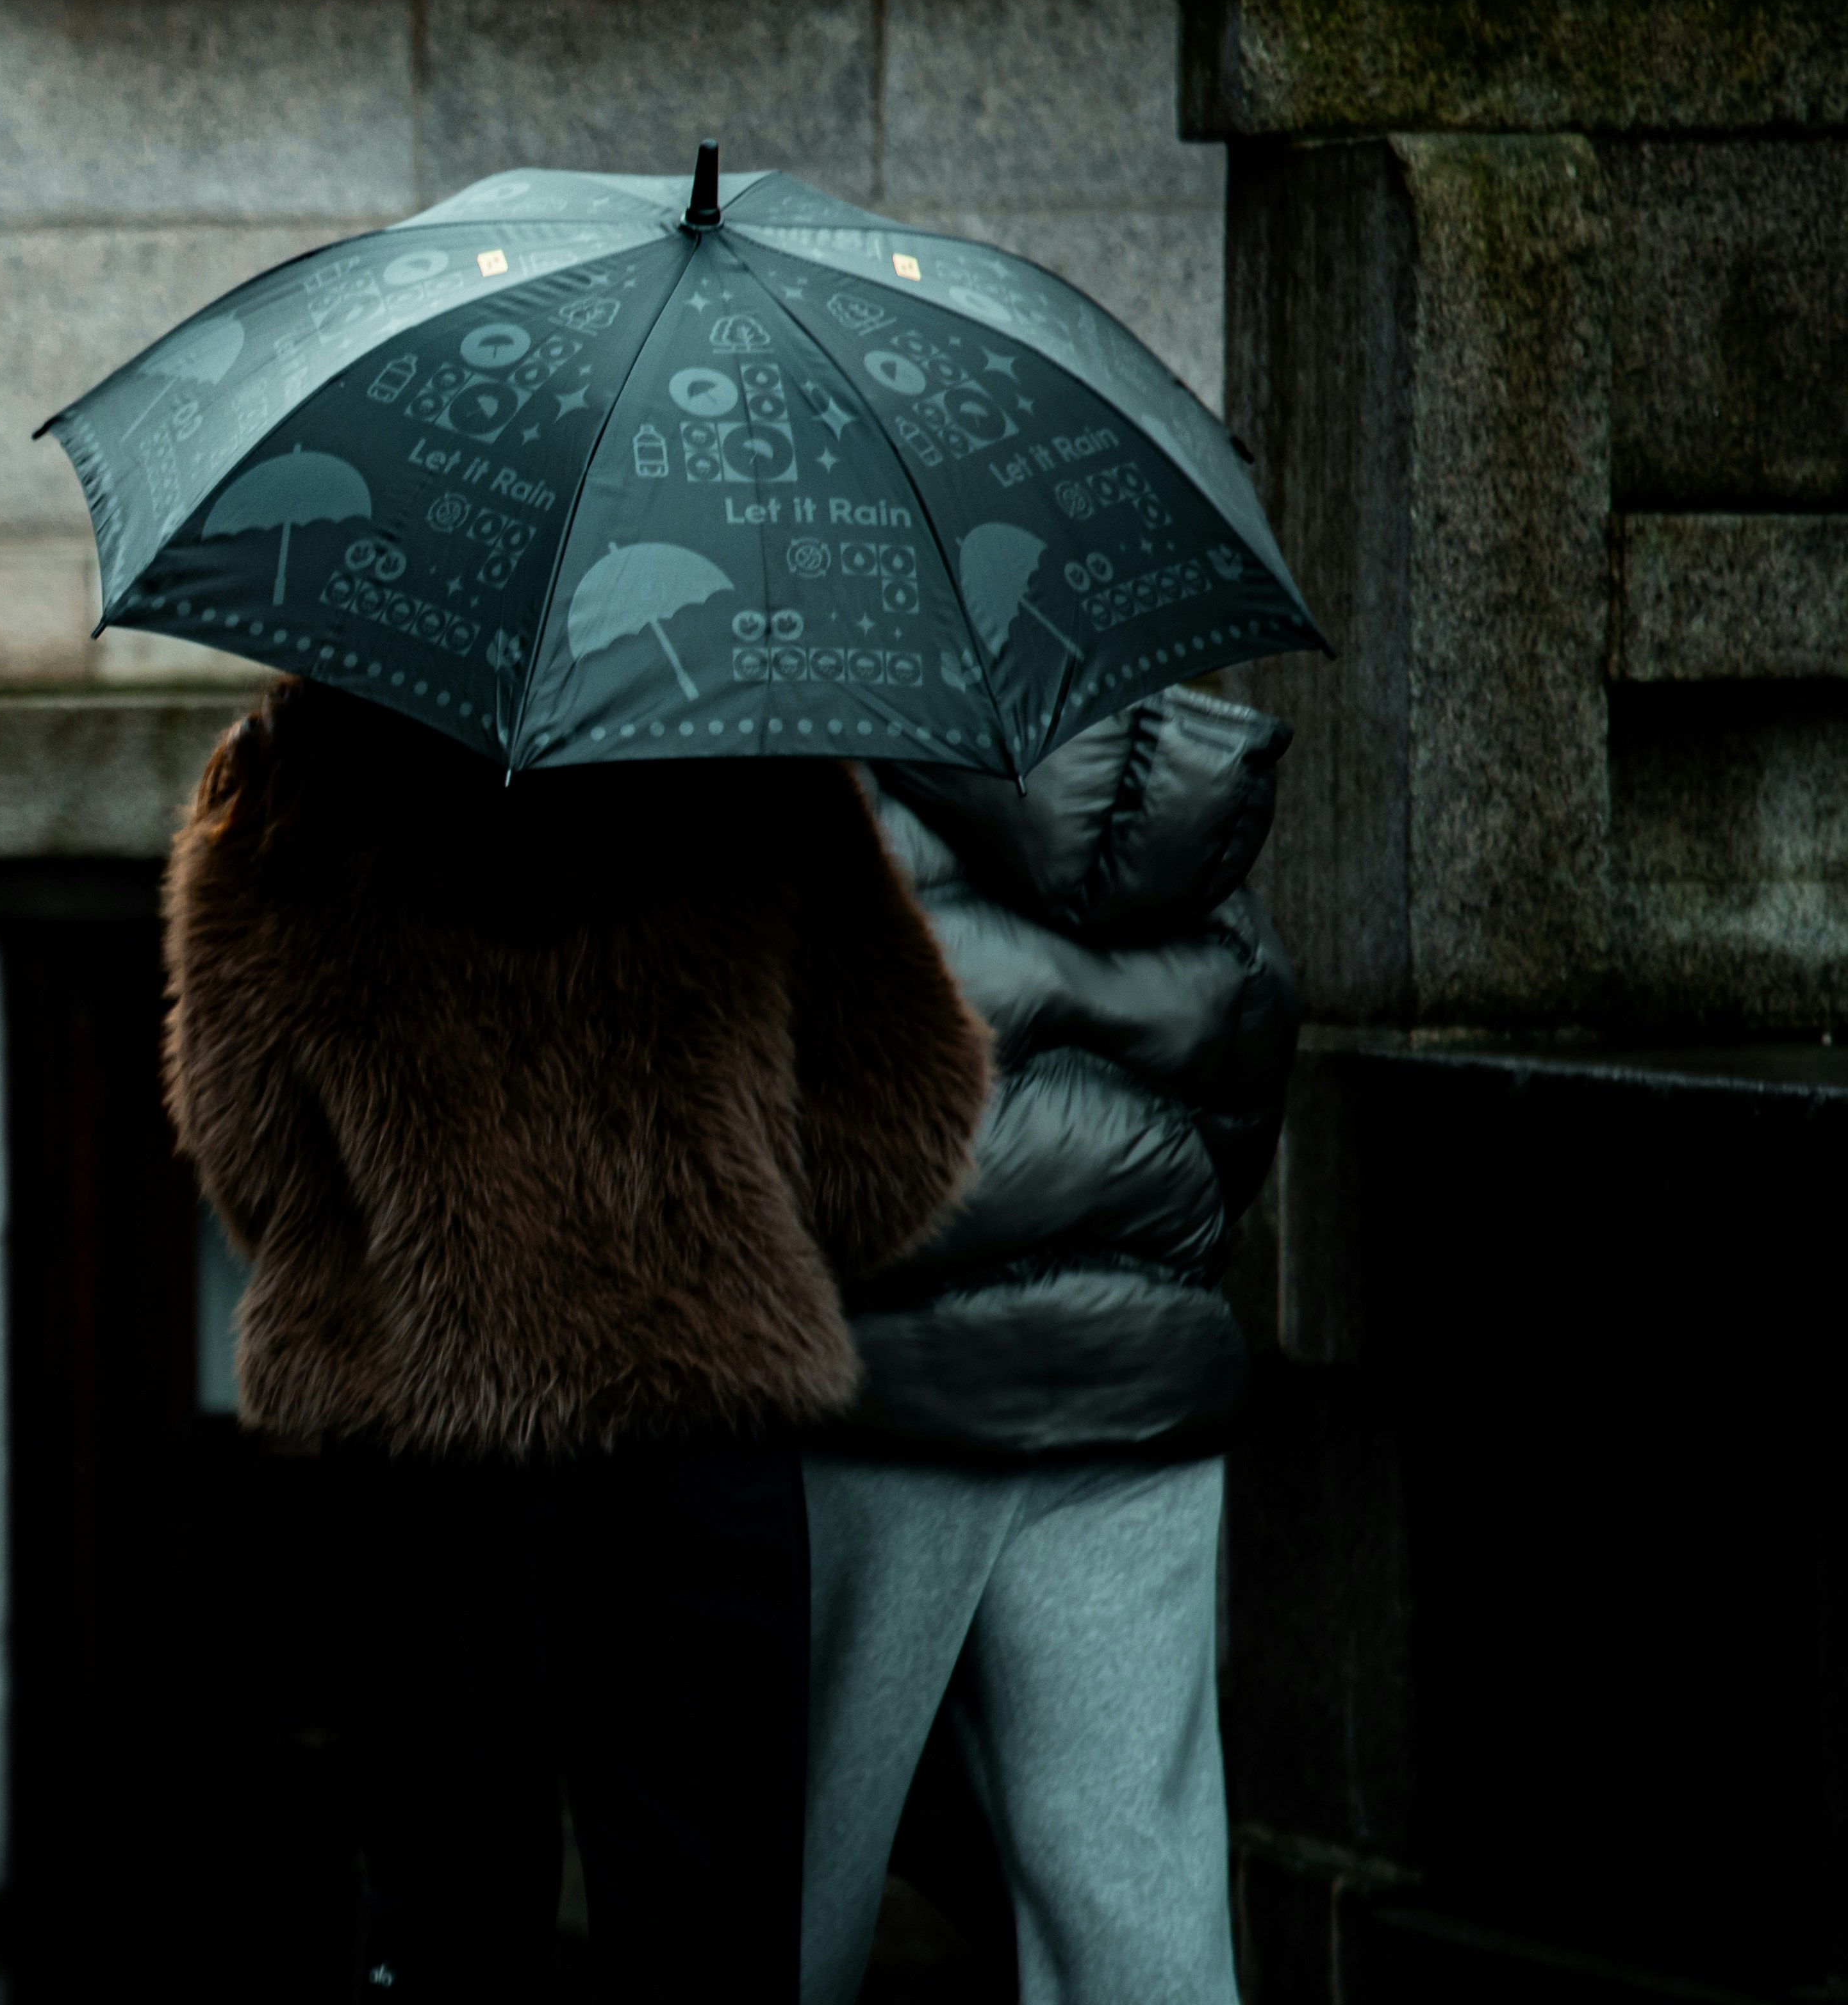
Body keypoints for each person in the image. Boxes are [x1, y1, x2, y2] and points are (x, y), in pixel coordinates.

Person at [160, 676, 993, 2000]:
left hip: (414, 1439)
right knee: (707, 1915)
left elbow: (249, 1150)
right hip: (695, 1426)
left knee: (442, 1908)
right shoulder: (757, 759)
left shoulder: (288, 782)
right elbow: (914, 1119)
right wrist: (726, 1233)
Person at [804, 690, 1299, 2005]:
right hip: (1132, 1392)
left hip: (875, 1406)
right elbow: (1247, 1070)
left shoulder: (816, 790)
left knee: (774, 1908)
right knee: (1137, 1920)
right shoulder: (1182, 789)